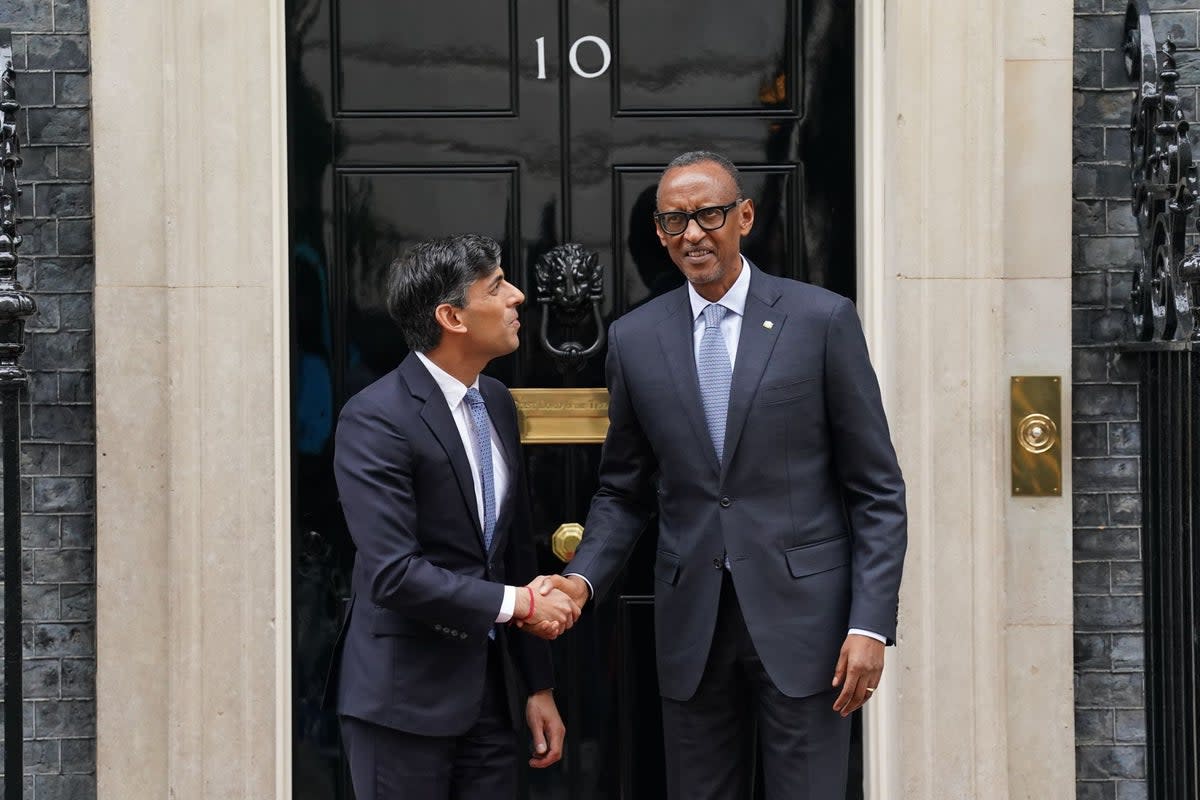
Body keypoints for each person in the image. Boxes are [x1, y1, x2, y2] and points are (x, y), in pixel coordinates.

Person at [536, 152, 907, 799]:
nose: (693, 233)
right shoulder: (634, 339)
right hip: (692, 628)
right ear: (658, 232)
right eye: (675, 220)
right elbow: (623, 490)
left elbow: (877, 490)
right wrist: (581, 580)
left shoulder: (820, 320)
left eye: (708, 214)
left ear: (744, 216)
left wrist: (869, 624)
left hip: (807, 629)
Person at [325, 234, 580, 799]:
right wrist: (524, 603)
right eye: (496, 287)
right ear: (451, 316)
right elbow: (393, 572)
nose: (517, 297)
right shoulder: (375, 419)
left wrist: (537, 685)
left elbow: (510, 551)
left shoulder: (496, 402)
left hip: (492, 699)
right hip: (401, 702)